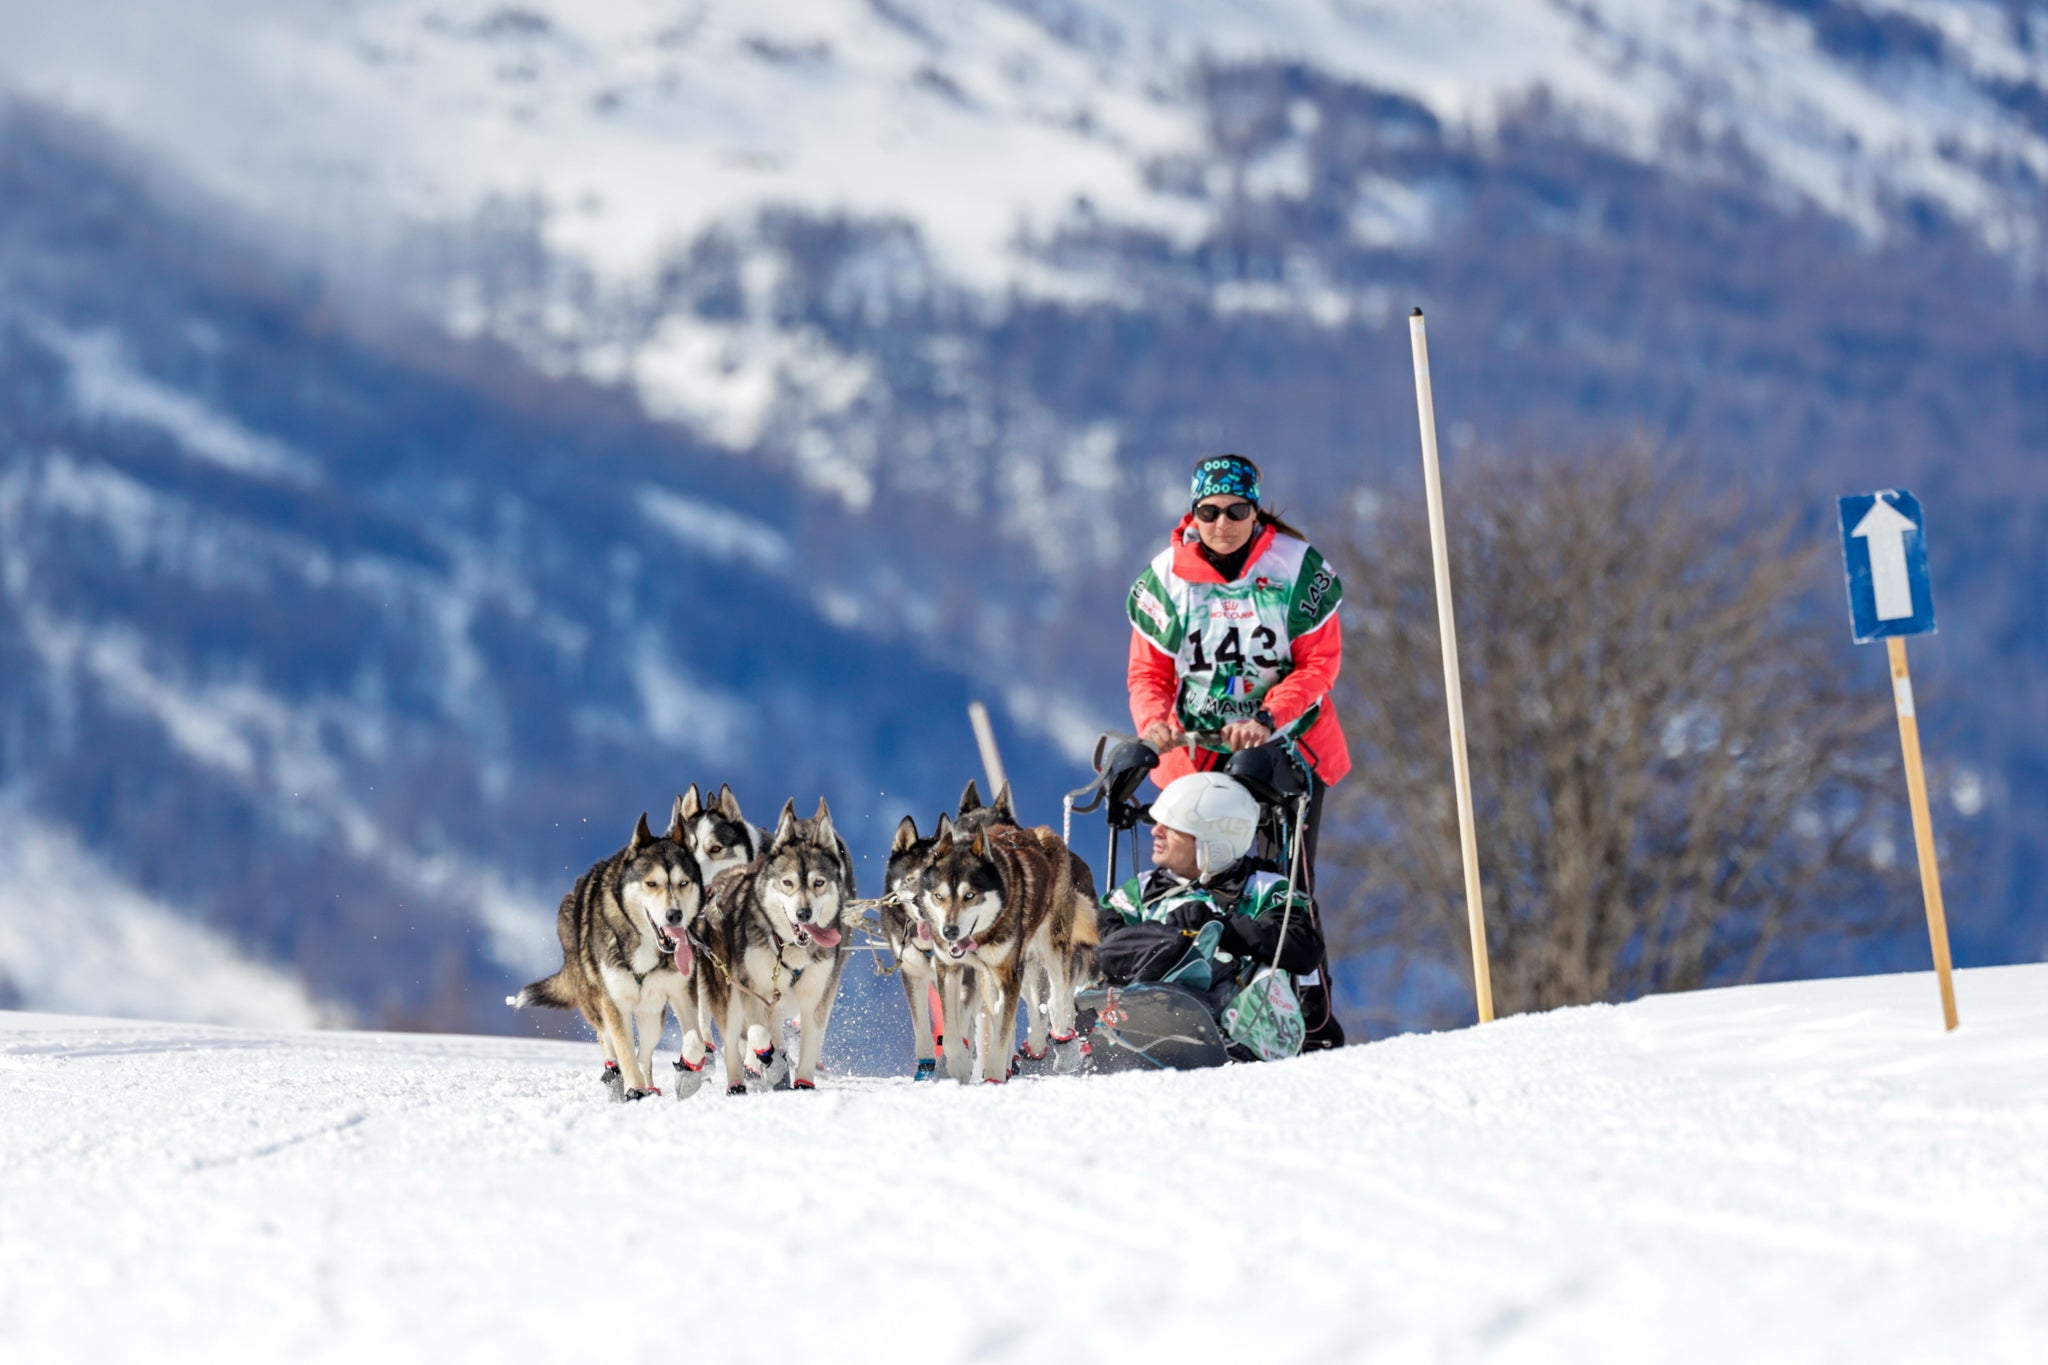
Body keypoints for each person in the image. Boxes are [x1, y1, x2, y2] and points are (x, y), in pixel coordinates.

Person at [1124, 453, 1348, 1047]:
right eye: (1209, 512)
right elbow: (1148, 675)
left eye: (1236, 511)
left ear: (1256, 511)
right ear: (1192, 514)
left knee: (1281, 884)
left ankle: (1307, 1017)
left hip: (1286, 747)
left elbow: (1319, 665)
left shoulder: (1296, 569)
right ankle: (1191, 1001)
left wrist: (1267, 716)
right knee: (1190, 878)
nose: (1221, 524)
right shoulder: (1166, 581)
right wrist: (1154, 726)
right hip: (1195, 753)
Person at [1094, 772, 1323, 1061]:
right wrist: (1164, 936)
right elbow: (1100, 932)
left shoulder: (1262, 887)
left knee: (1196, 948)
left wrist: (1219, 928)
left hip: (1233, 1019)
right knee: (1120, 943)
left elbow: (1303, 947)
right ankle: (1134, 1003)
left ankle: (1180, 998)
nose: (1155, 831)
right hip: (1136, 1004)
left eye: (1172, 827)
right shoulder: (1142, 889)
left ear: (1213, 840)